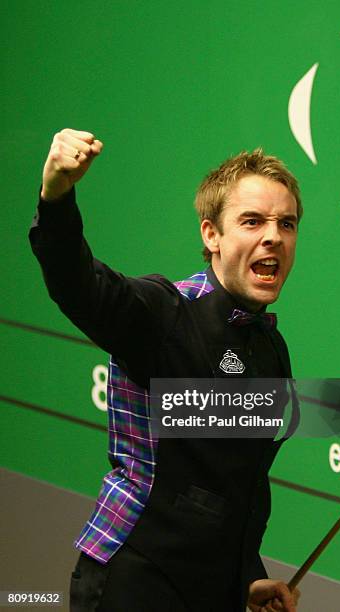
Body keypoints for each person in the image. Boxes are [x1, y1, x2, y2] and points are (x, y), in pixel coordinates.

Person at [29, 128, 302, 612]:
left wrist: (245, 580)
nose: (273, 237)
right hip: (133, 583)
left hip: (211, 590)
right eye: (253, 221)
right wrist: (56, 196)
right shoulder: (163, 311)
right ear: (211, 234)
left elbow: (237, 487)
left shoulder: (270, 348)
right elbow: (76, 284)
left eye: (287, 223)